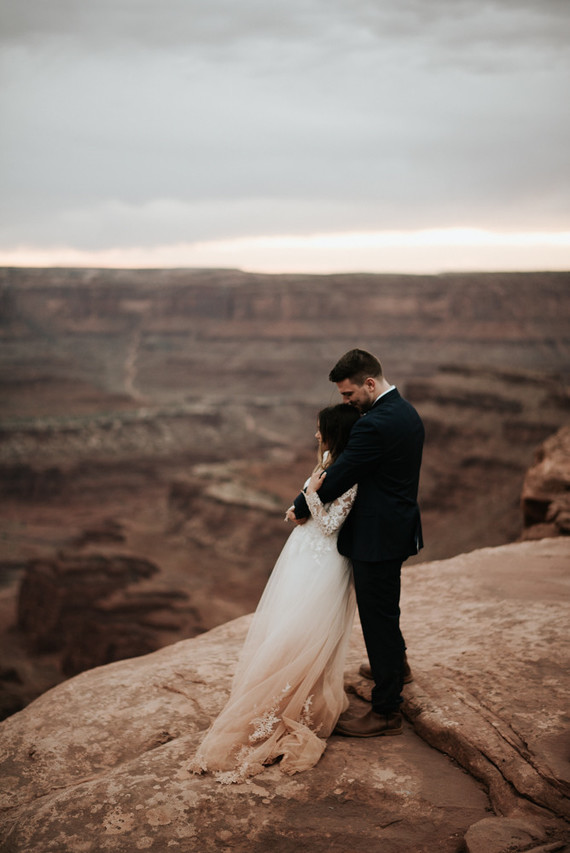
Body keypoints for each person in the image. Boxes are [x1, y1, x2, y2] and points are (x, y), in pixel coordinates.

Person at [189, 403, 360, 783]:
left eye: (321, 430)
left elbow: (332, 524)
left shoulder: (350, 470)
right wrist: (298, 507)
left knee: (307, 631)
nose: (316, 436)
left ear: (335, 430)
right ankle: (283, 696)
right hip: (301, 553)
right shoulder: (330, 457)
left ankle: (299, 703)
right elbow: (309, 509)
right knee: (286, 625)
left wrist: (312, 495)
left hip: (324, 560)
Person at [292, 349, 424, 738]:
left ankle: (386, 711)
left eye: (349, 395)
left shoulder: (374, 425)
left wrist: (300, 505)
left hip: (375, 535)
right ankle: (397, 667)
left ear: (370, 383)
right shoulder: (407, 412)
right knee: (386, 605)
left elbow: (341, 474)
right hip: (398, 527)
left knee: (376, 615)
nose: (346, 403)